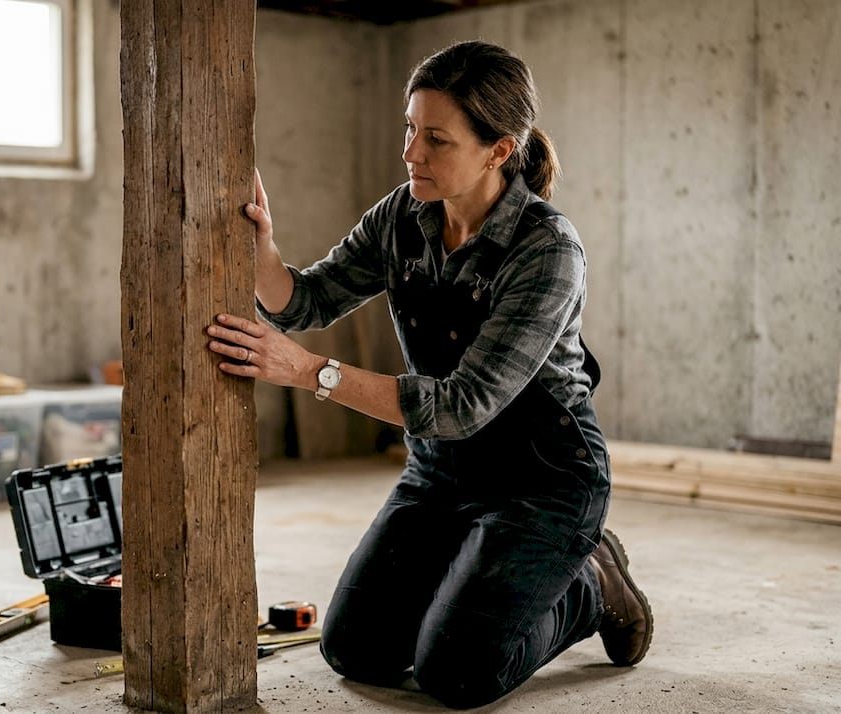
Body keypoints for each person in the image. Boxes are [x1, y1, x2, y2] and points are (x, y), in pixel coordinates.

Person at [205, 40, 653, 708]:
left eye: (437, 139)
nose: (412, 152)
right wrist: (264, 252)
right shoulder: (402, 217)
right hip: (441, 474)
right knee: (356, 651)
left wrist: (308, 374)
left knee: (456, 675)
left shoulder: (547, 248)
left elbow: (465, 405)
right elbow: (307, 302)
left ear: (499, 150)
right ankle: (478, 576)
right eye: (410, 129)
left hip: (543, 481)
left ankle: (588, 585)